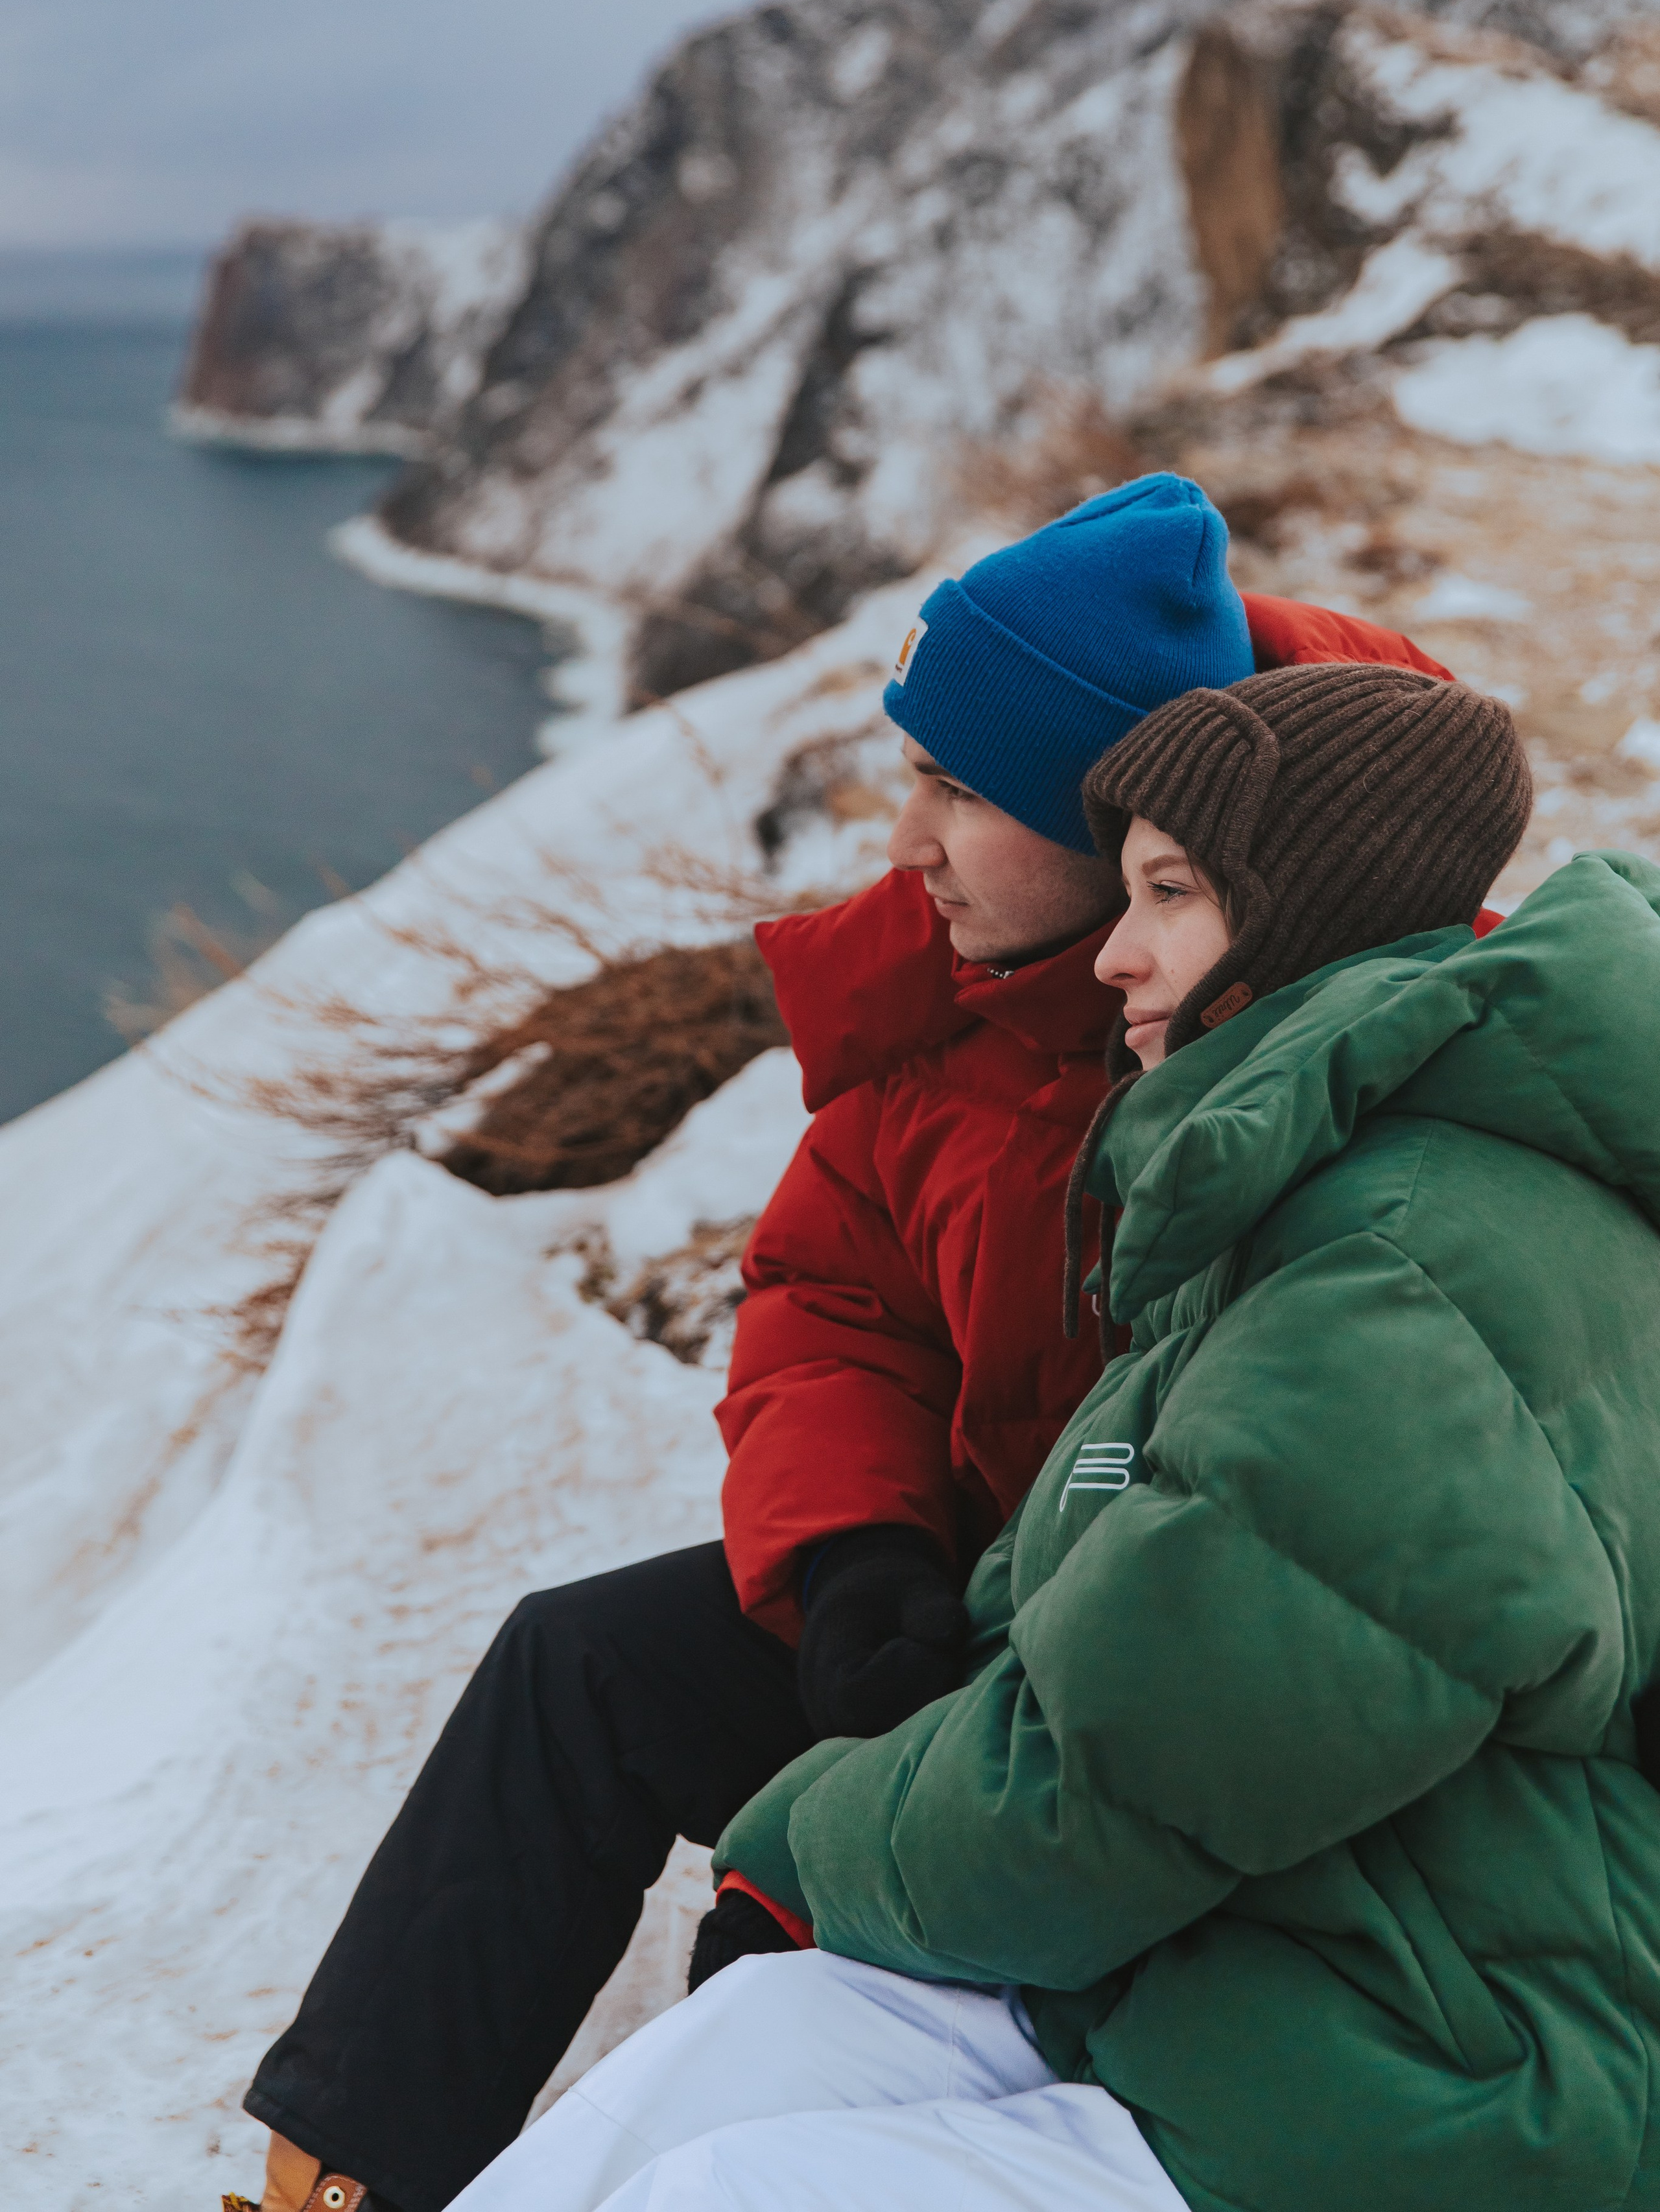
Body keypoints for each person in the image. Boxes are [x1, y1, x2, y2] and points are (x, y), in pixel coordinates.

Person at [233, 482, 1454, 2212]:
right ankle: (332, 2188)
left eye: (958, 786)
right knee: (574, 1671)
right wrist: (857, 1548)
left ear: (1115, 823)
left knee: (787, 1928)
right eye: (912, 776)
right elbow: (833, 1296)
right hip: (954, 1592)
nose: (907, 839)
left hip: (1158, 1667)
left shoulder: (1302, 1018)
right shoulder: (935, 999)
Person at [454, 662, 1660, 2212]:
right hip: (1269, 1956)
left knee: (726, 2184)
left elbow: (1111, 1786)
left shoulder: (1393, 1280)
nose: (1117, 950)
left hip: (1432, 2075)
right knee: (749, 2036)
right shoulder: (1318, 1192)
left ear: (1301, 917)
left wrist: (795, 1854)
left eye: (1167, 893)